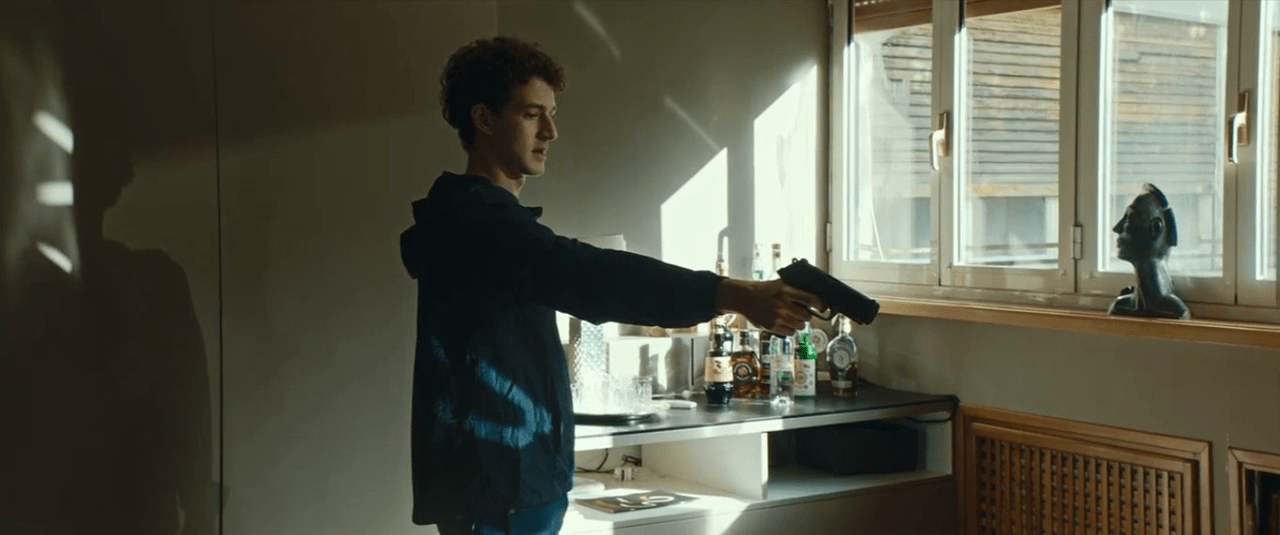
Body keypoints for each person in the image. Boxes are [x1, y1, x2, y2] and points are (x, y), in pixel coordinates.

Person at [398, 36, 826, 535]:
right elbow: (591, 275)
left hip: (508, 482)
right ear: (484, 119)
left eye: (552, 114)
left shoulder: (478, 220)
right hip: (499, 485)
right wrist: (733, 294)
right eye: (532, 114)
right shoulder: (480, 223)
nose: (551, 131)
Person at [1108, 183, 1190, 320]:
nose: (1117, 228)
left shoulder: (1174, 312)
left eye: (1129, 218)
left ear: (1155, 229)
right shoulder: (1121, 306)